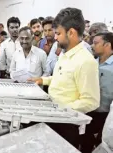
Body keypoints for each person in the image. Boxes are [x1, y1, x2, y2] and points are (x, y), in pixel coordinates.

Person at [28, 7, 100, 148]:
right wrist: (44, 80)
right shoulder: (64, 54)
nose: (55, 37)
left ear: (71, 32)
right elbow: (62, 78)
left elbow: (91, 101)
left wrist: (61, 109)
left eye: (58, 33)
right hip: (53, 115)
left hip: (66, 124)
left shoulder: (85, 61)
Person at [80, 32, 113, 153]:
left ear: (107, 45)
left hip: (107, 114)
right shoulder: (92, 62)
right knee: (85, 143)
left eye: (95, 43)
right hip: (90, 111)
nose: (92, 46)